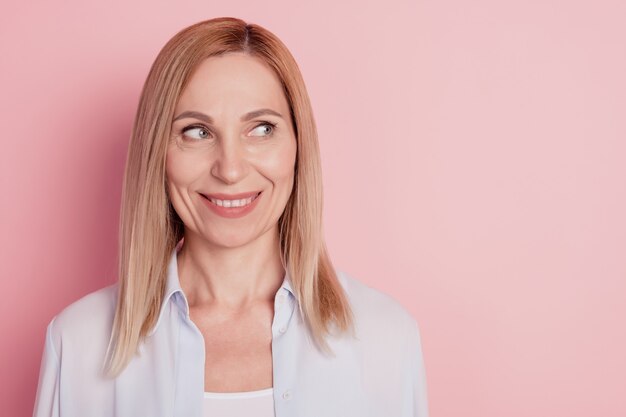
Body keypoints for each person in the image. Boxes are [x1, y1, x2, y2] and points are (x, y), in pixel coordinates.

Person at [32, 17, 428, 417]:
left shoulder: (386, 338)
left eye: (261, 128)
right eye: (197, 132)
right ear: (158, 154)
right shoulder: (78, 343)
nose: (231, 169)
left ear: (298, 145)